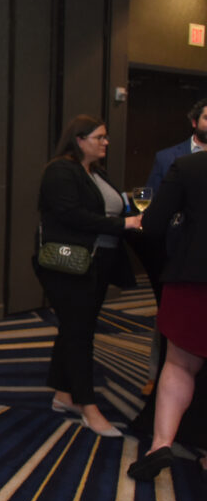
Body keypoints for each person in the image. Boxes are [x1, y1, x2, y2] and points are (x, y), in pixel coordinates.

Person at [34, 115, 141, 437]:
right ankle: (88, 406)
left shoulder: (95, 172)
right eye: (99, 137)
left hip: (97, 261)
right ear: (79, 140)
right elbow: (71, 215)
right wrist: (122, 224)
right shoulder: (60, 171)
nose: (106, 142)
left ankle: (63, 394)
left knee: (74, 328)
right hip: (69, 263)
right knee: (79, 333)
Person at [128, 150, 207, 480]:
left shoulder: (189, 166)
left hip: (192, 277)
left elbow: (154, 223)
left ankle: (160, 445)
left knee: (179, 364)